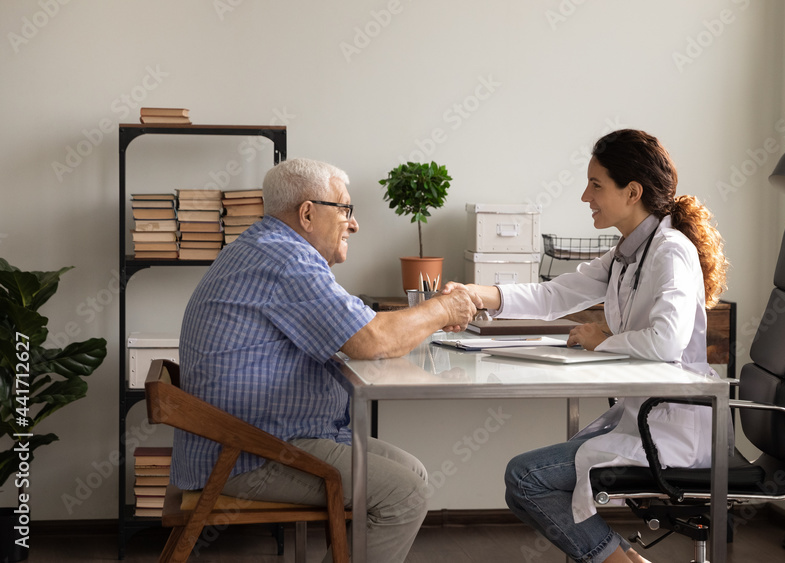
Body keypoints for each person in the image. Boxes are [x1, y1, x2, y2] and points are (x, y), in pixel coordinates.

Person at [172, 157, 481, 562]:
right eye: (346, 210)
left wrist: (416, 321)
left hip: (259, 438)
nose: (354, 224)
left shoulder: (267, 248)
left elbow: (360, 330)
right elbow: (371, 340)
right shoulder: (285, 258)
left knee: (413, 474)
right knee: (405, 493)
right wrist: (444, 309)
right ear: (307, 213)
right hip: (249, 452)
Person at [449, 129, 729, 563]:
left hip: (673, 428)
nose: (585, 196)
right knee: (522, 484)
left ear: (632, 191)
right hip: (645, 417)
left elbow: (667, 340)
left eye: (596, 184)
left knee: (525, 479)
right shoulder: (628, 253)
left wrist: (603, 339)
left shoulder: (669, 251)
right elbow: (554, 295)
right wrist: (475, 294)